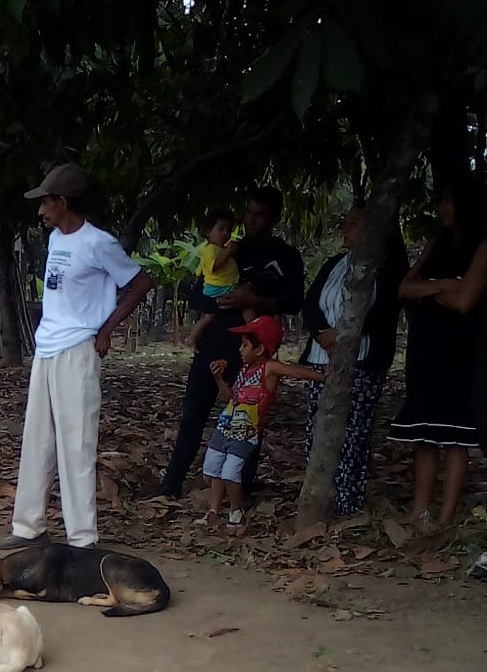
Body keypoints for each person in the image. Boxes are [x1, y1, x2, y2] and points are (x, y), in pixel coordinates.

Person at [0, 163, 153, 552]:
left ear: (63, 203)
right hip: (47, 347)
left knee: (76, 443)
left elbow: (141, 282)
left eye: (46, 203)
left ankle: (82, 538)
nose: (41, 211)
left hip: (78, 348)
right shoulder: (55, 240)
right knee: (37, 440)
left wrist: (106, 329)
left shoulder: (98, 243)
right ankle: (29, 526)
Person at [152, 186, 305, 499]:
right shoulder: (226, 248)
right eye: (248, 212)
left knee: (247, 423)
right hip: (212, 345)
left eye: (259, 214)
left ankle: (240, 491)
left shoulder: (286, 256)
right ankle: (171, 485)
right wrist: (222, 301)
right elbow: (197, 296)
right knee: (193, 416)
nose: (251, 219)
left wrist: (255, 301)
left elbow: (294, 302)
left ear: (274, 218)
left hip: (253, 353)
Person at [388, 182, 487, 534]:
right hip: (425, 346)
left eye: (447, 200)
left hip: (460, 350)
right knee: (424, 432)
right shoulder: (437, 242)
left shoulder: (483, 246)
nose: (441, 207)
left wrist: (430, 289)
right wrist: (445, 284)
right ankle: (420, 510)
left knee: (456, 435)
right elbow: (405, 287)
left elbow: (465, 301)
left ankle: (445, 517)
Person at [300, 205, 408, 517]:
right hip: (321, 359)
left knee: (354, 434)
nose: (345, 230)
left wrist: (344, 334)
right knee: (318, 430)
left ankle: (348, 503)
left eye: (354, 224)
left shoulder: (386, 269)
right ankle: (318, 497)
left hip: (362, 361)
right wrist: (323, 334)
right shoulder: (334, 264)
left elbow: (383, 312)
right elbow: (311, 304)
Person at [200, 316, 326, 529]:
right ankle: (213, 511)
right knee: (213, 470)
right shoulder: (244, 370)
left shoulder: (268, 368)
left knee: (230, 473)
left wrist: (322, 376)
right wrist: (219, 379)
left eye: (245, 345)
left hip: (245, 433)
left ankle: (235, 511)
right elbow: (230, 398)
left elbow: (294, 371)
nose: (240, 349)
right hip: (224, 427)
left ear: (259, 350)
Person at [186, 208, 239, 351]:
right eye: (221, 229)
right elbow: (214, 266)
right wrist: (228, 252)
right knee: (209, 316)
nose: (225, 233)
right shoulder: (210, 250)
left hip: (224, 286)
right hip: (218, 288)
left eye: (229, 230)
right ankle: (192, 337)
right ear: (208, 231)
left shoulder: (219, 249)